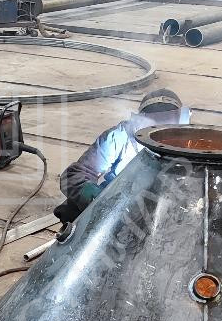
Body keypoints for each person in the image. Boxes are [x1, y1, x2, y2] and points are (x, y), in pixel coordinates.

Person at [54, 88, 191, 224]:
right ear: (142, 123)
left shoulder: (191, 143)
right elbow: (73, 175)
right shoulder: (120, 136)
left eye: (167, 127)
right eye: (156, 125)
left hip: (163, 207)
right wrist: (95, 198)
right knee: (72, 210)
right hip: (120, 205)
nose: (162, 136)